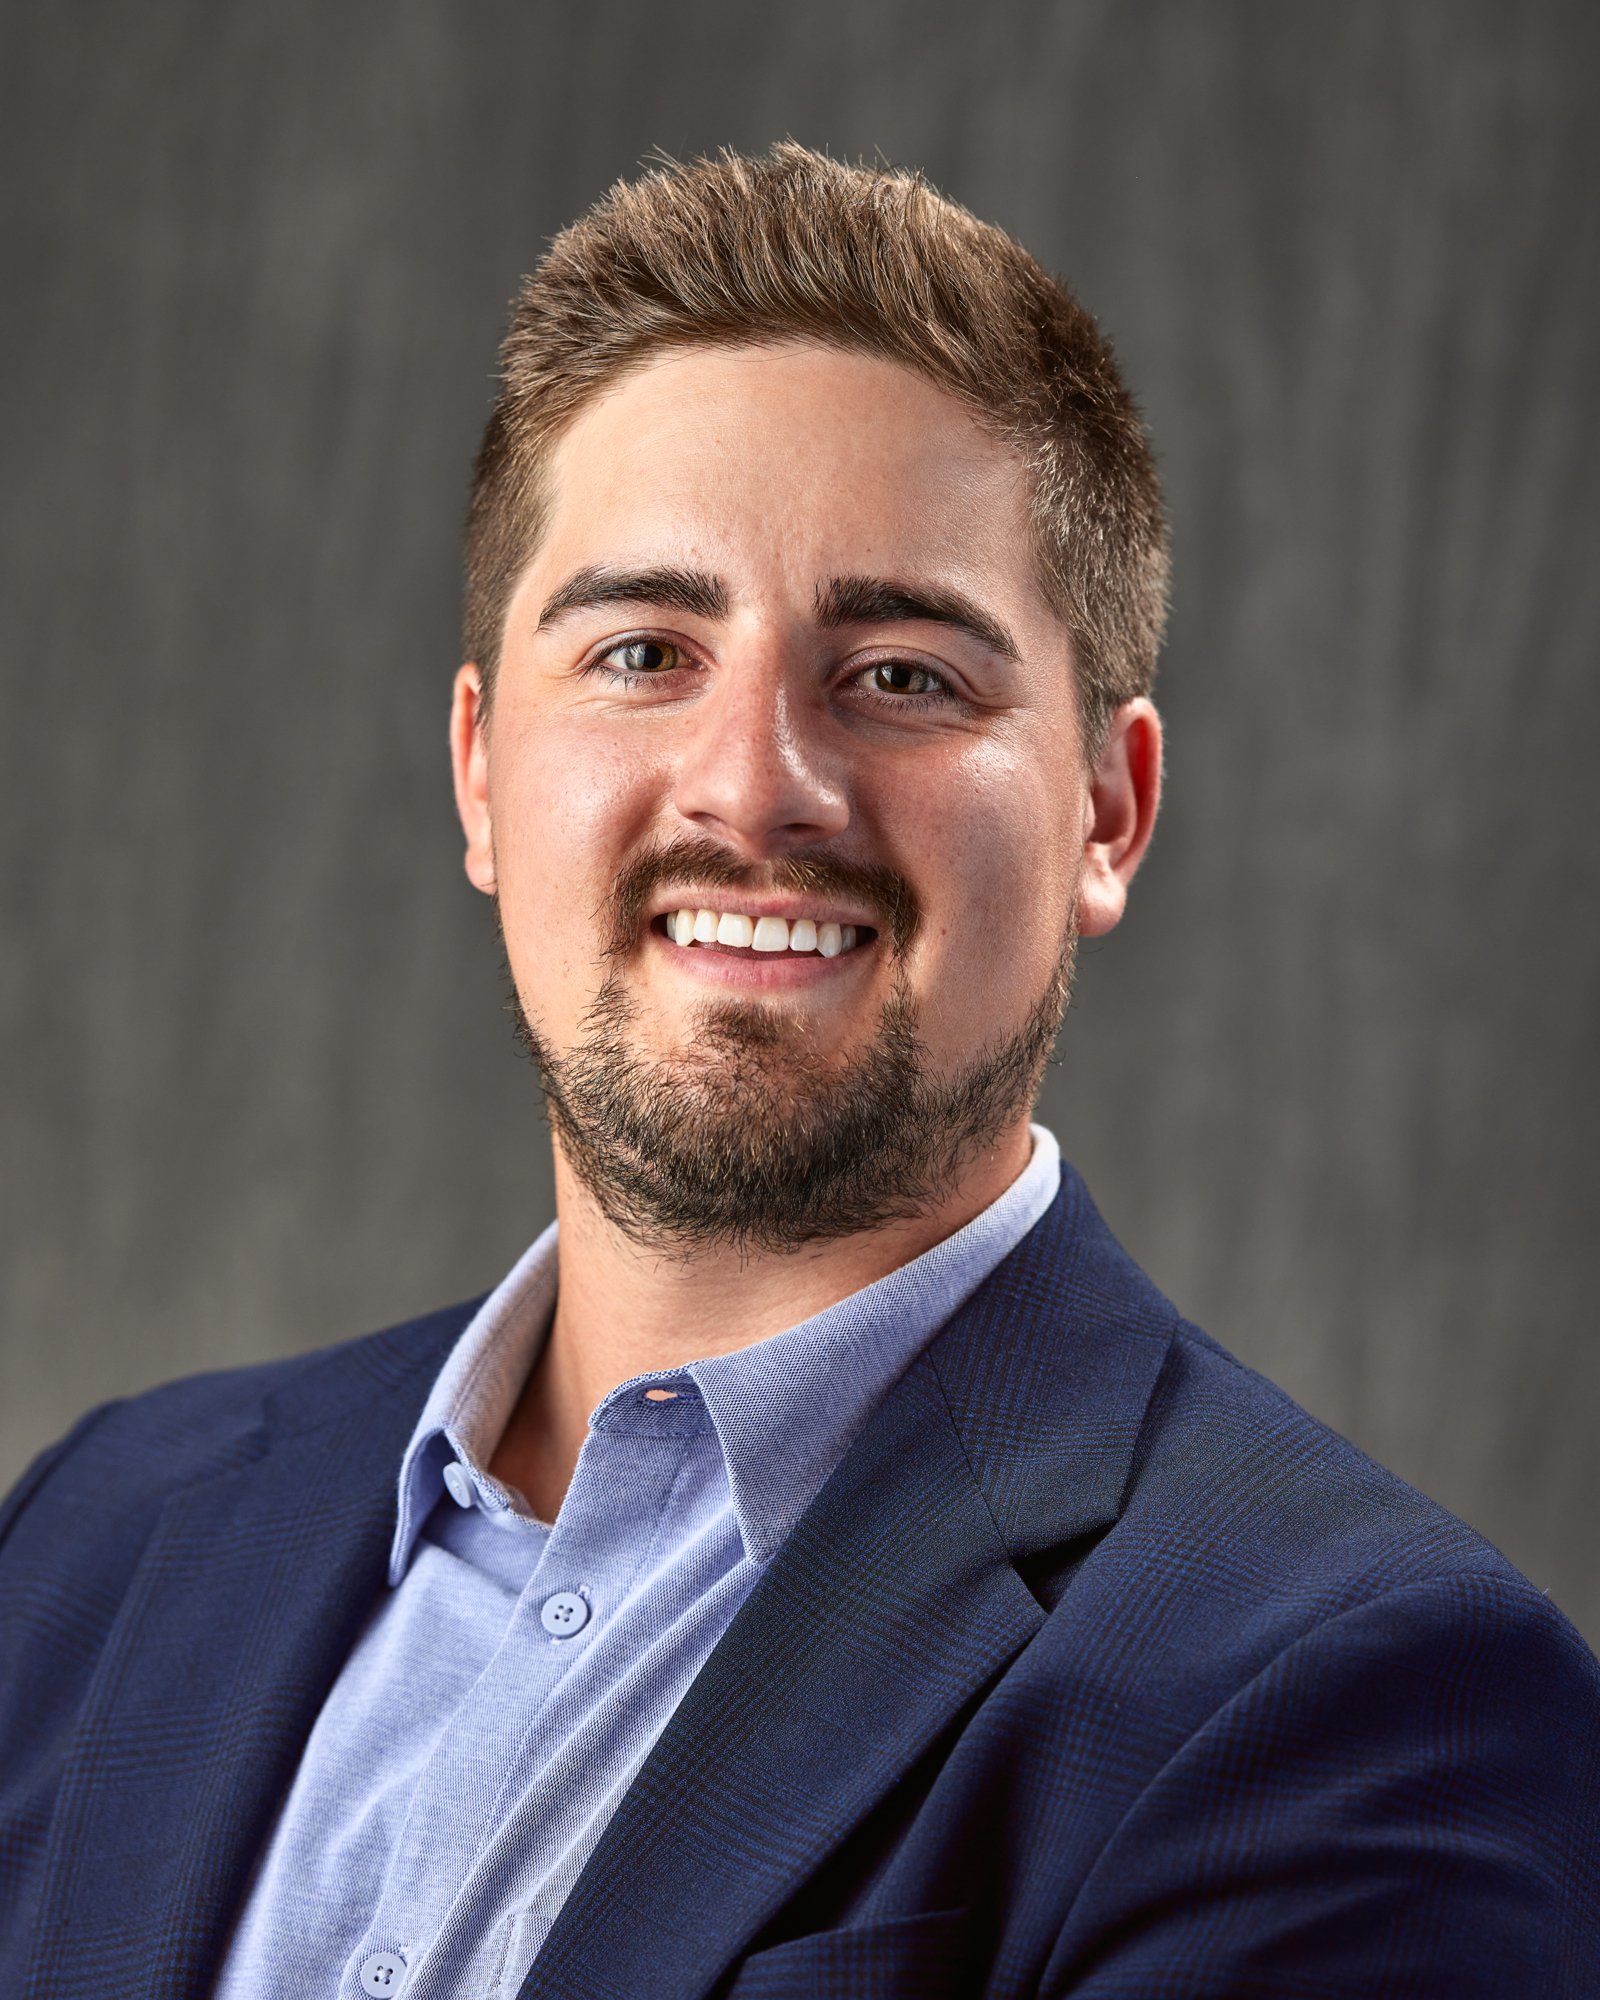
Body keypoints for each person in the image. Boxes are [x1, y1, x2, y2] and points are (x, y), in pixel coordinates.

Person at [1, 144, 1595, 2000]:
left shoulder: (1365, 1714)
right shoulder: (101, 1541)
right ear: (480, 776)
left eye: (904, 673)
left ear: (1108, 808)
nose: (755, 784)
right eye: (642, 650)